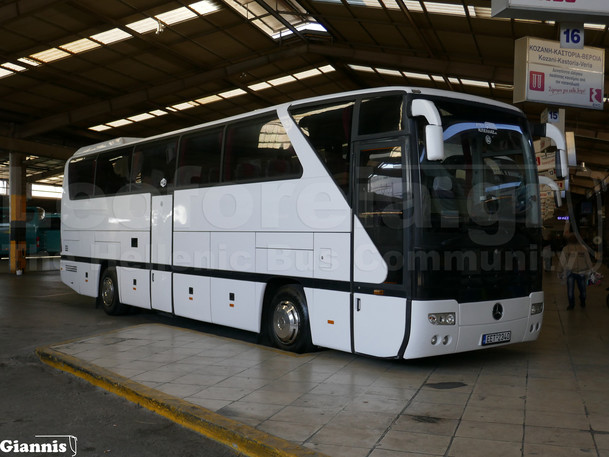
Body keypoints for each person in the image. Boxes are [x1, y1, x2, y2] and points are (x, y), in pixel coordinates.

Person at [559, 233, 594, 310]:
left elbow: (562, 261)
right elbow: (588, 260)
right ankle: (582, 301)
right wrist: (591, 269)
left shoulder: (566, 248)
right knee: (582, 289)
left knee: (570, 290)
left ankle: (571, 305)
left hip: (570, 272)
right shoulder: (583, 248)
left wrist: (560, 270)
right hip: (581, 272)